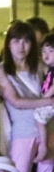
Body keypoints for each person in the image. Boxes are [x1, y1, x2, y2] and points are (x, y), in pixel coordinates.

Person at [0, 21, 54, 172]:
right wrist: (49, 101)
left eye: (26, 41)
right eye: (16, 41)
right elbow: (16, 102)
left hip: (49, 131)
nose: (21, 46)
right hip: (23, 132)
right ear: (8, 43)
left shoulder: (41, 66)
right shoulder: (1, 70)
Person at [33, 33, 54, 162]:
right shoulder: (50, 69)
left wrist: (44, 98)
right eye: (44, 51)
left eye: (51, 51)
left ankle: (43, 146)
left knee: (38, 116)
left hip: (51, 101)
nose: (46, 54)